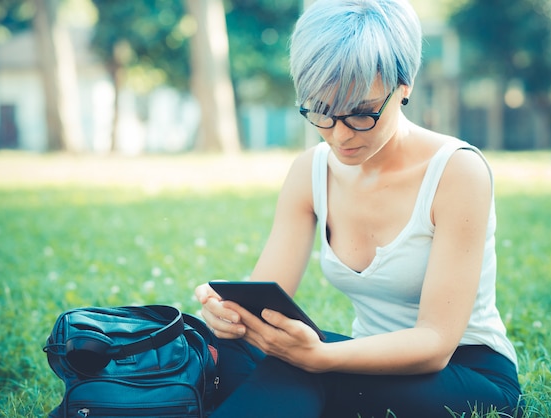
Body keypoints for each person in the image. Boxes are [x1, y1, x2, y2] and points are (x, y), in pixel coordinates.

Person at [195, 0, 524, 416]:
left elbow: (436, 343)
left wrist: (320, 358)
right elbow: (265, 302)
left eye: (363, 113)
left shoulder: (457, 171)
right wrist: (229, 316)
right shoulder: (310, 171)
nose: (340, 135)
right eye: (322, 112)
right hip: (357, 363)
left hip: (465, 375)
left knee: (298, 371)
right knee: (230, 349)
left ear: (405, 86)